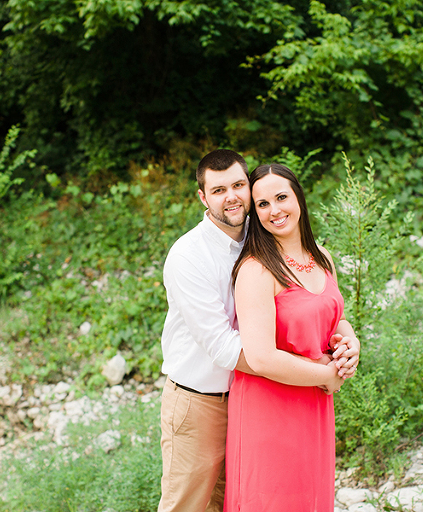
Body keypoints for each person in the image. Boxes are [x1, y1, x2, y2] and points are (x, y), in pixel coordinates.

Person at [158, 151, 358, 512]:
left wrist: (348, 342)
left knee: (238, 501)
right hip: (202, 398)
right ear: (203, 197)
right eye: (219, 190)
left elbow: (315, 308)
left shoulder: (265, 231)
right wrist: (321, 372)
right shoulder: (188, 256)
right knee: (186, 505)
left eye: (238, 185)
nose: (232, 196)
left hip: (259, 391)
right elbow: (226, 348)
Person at [224, 163, 361, 512]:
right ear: (254, 214)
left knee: (310, 498)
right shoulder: (257, 270)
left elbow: (333, 317)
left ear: (298, 196)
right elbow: (261, 357)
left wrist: (351, 343)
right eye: (263, 204)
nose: (275, 210)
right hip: (269, 409)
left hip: (314, 405)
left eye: (281, 197)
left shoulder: (322, 258)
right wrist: (329, 375)